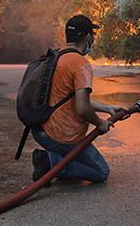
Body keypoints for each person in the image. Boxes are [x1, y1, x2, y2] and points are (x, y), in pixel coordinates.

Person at [31, 14, 123, 183]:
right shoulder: (80, 64)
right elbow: (81, 108)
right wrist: (100, 124)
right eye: (93, 35)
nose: (93, 39)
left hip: (40, 130)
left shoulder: (56, 57)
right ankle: (49, 163)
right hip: (61, 136)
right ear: (87, 37)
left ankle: (55, 158)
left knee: (76, 158)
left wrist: (107, 108)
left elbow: (69, 99)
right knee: (101, 172)